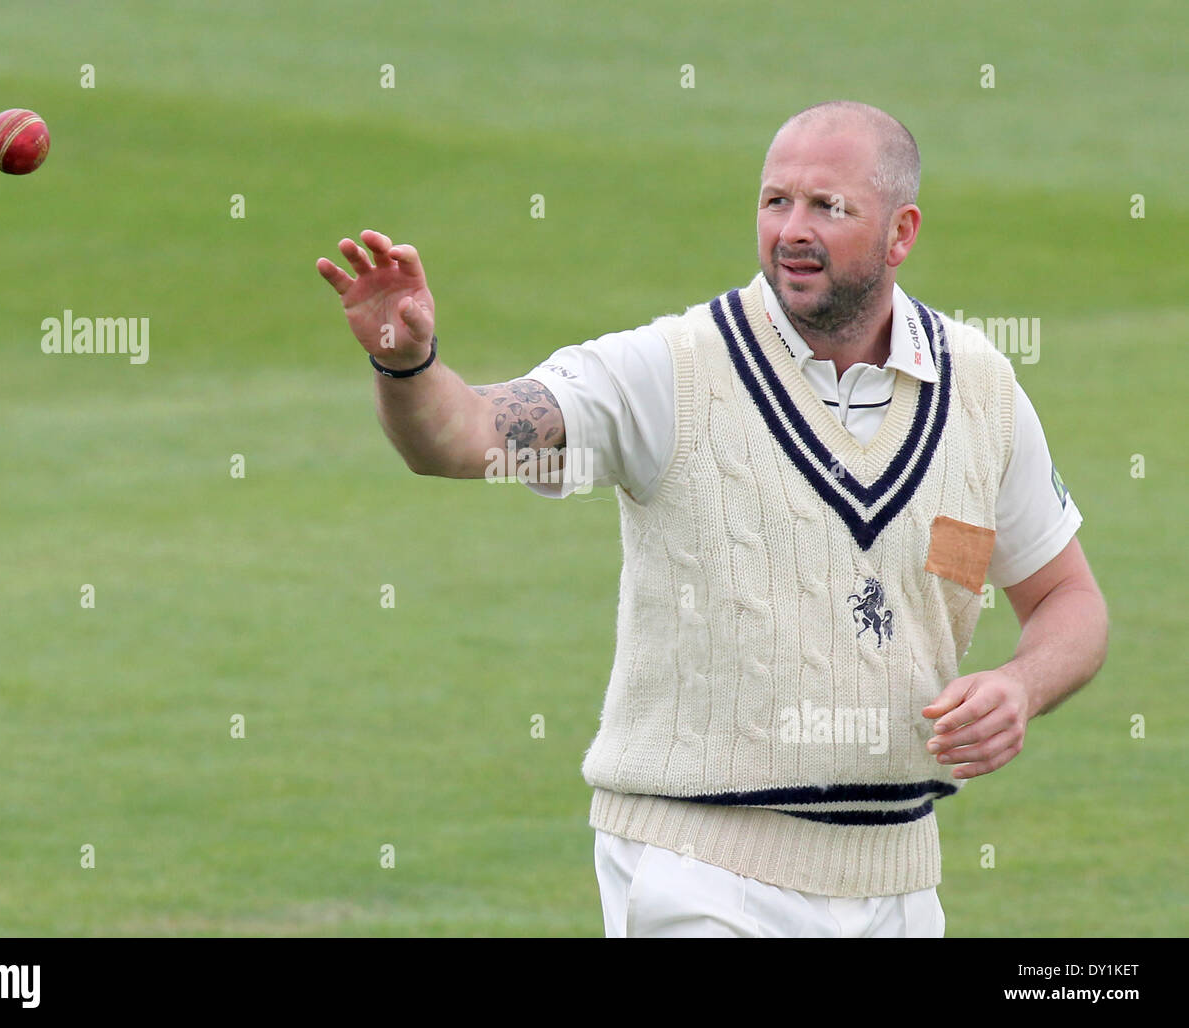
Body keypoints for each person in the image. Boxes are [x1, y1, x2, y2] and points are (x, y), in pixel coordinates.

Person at [316, 100, 1108, 938]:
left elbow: (1070, 601)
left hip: (899, 880)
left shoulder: (980, 390)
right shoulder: (672, 370)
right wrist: (408, 367)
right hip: (697, 867)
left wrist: (1022, 686)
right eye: (775, 202)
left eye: (827, 207)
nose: (792, 231)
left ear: (900, 232)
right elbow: (466, 439)